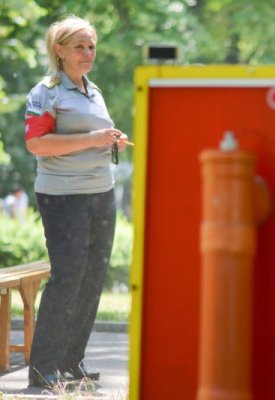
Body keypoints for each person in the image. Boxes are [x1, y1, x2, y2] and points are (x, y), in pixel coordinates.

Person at [23, 15, 128, 389]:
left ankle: (71, 361)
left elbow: (94, 135)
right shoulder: (46, 92)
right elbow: (36, 144)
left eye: (92, 46)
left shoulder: (92, 89)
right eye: (80, 46)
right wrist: (93, 138)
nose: (88, 53)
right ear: (60, 50)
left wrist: (111, 139)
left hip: (101, 192)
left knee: (92, 278)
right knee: (68, 278)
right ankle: (42, 369)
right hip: (63, 196)